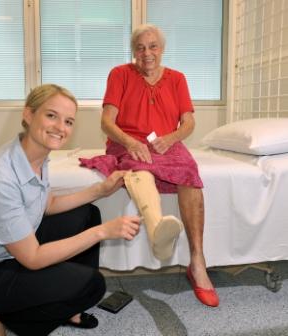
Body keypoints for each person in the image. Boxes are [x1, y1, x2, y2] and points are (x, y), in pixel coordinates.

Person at [0, 83, 141, 336]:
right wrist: (102, 232)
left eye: (68, 121)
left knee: (88, 214)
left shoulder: (35, 156)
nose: (61, 127)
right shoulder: (0, 176)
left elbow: (48, 205)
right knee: (92, 286)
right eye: (51, 115)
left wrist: (100, 190)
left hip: (7, 252)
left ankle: (64, 307)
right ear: (28, 114)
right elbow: (33, 258)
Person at [80, 24, 219, 307]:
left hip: (166, 143)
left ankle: (197, 262)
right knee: (138, 168)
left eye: (153, 46)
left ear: (162, 49)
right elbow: (107, 122)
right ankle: (157, 229)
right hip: (127, 142)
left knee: (189, 173)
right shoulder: (119, 74)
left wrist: (172, 138)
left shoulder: (178, 79)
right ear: (134, 51)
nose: (147, 53)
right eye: (140, 47)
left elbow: (189, 122)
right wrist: (130, 142)